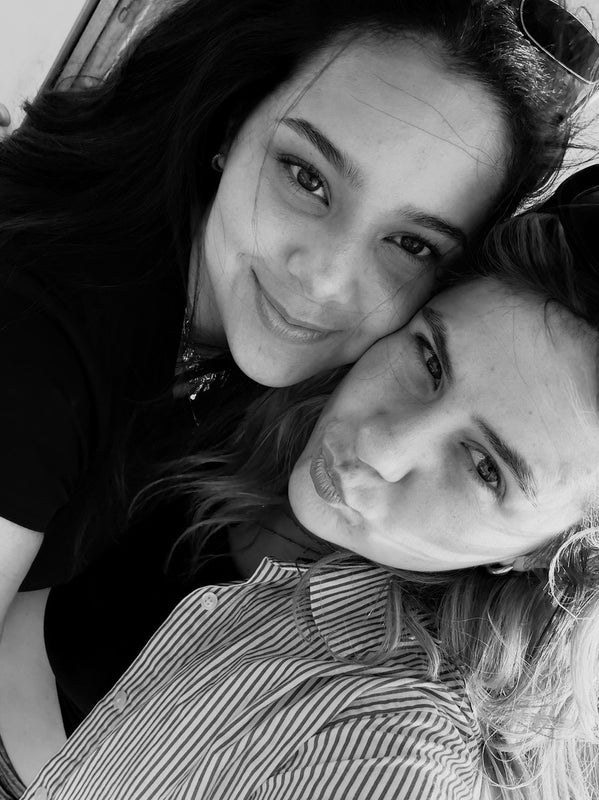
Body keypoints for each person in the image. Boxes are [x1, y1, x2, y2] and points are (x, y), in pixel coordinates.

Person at [7, 164, 599, 800]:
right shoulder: (260, 387)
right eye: (429, 359)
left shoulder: (399, 741)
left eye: (486, 469)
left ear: (545, 554)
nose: (379, 446)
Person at [0, 0, 592, 633]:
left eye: (411, 244)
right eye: (307, 178)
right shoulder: (32, 338)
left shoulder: (223, 351)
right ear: (230, 123)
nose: (326, 279)